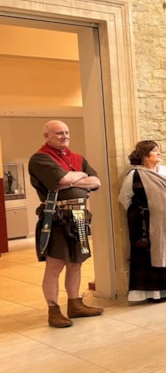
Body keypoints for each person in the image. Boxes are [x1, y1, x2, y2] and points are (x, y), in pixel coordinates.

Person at [28, 120, 103, 328]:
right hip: (57, 218)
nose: (65, 136)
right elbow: (60, 180)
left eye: (67, 132)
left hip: (79, 216)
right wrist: (75, 178)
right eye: (59, 133)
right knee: (55, 265)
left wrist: (71, 179)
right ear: (47, 136)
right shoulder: (40, 158)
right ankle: (53, 310)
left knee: (76, 263)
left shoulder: (78, 158)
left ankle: (74, 304)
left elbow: (96, 181)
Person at [118, 140, 166, 302]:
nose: (159, 153)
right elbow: (124, 198)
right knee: (150, 256)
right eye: (155, 151)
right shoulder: (134, 175)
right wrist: (144, 212)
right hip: (146, 225)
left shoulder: (165, 171)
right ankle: (154, 293)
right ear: (145, 155)